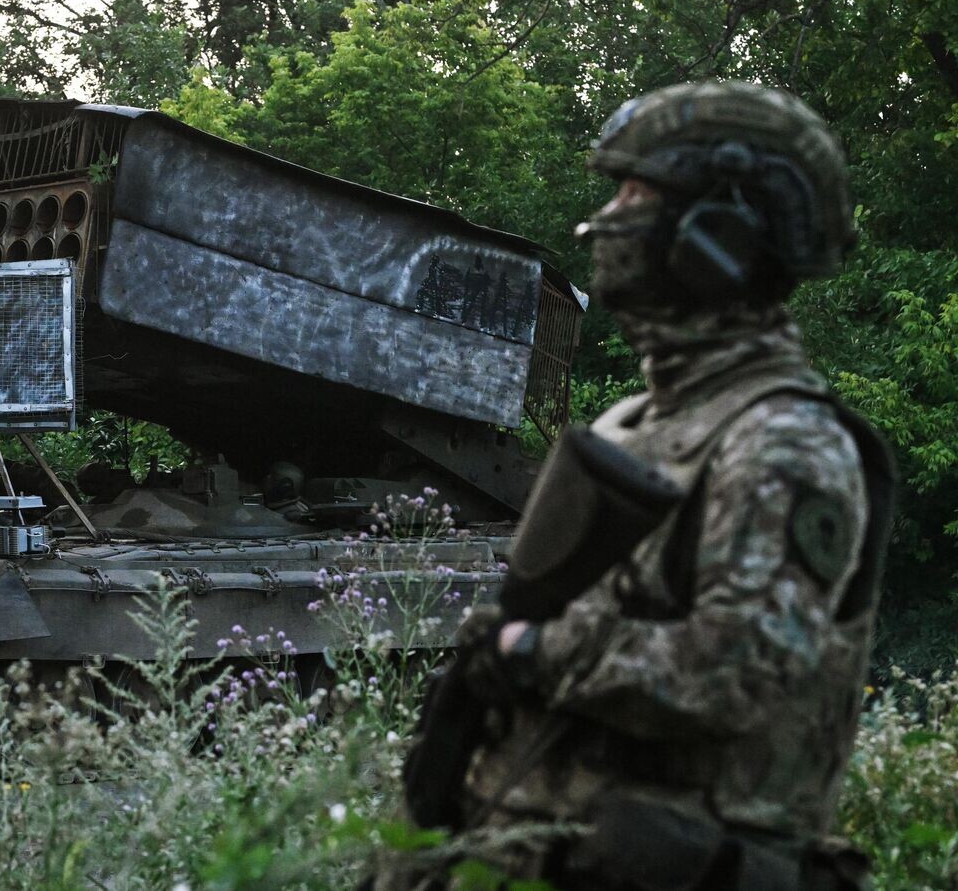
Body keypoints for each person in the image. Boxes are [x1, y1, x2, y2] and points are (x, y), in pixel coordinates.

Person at [382, 81, 895, 890]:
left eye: (638, 191)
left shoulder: (784, 442)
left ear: (717, 235)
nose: (611, 216)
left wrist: (527, 650)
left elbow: (730, 674)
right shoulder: (633, 420)